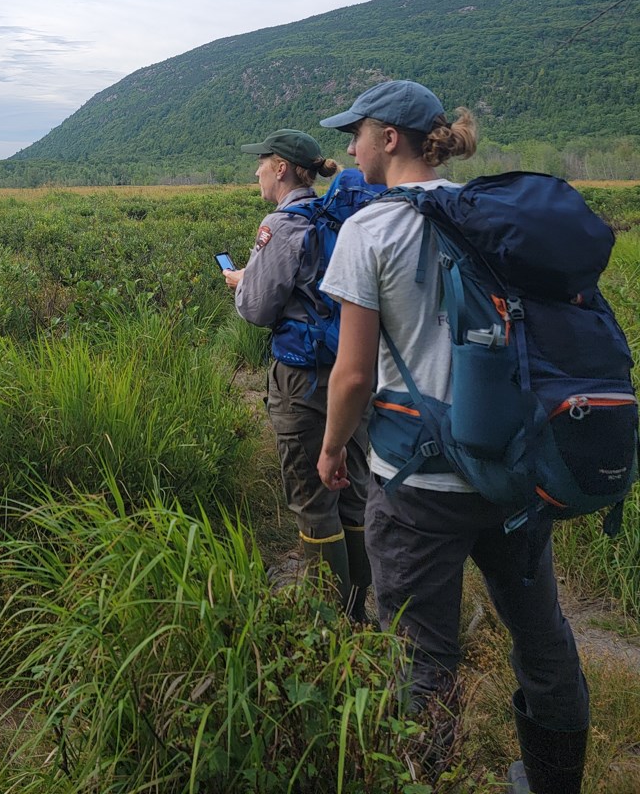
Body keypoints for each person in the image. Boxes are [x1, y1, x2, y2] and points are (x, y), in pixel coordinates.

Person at [315, 80, 589, 793]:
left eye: (358, 134)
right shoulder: (492, 216)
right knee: (542, 636)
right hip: (511, 472)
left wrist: (328, 449)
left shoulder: (369, 231)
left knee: (420, 656)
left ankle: (419, 778)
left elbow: (350, 377)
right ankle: (554, 782)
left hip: (417, 487)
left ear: (391, 139)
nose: (349, 149)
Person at [223, 127, 372, 619]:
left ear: (282, 167)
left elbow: (258, 309)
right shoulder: (338, 217)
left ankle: (327, 629)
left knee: (313, 500)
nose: (257, 171)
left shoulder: (282, 224)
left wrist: (242, 284)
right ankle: (357, 611)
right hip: (351, 369)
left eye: (262, 162)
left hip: (301, 380)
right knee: (352, 493)